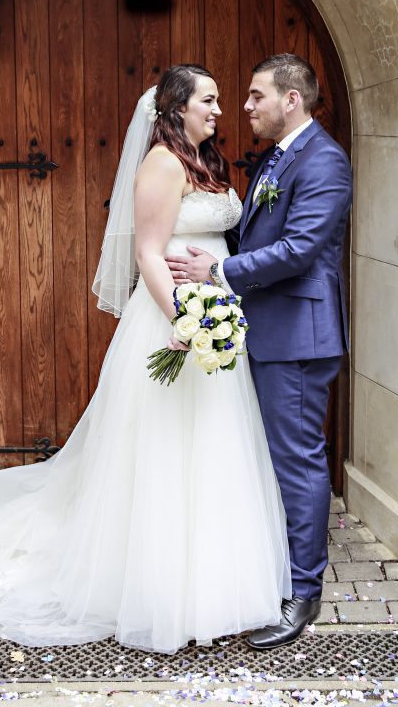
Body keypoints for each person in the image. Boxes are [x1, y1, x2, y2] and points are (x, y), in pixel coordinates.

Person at [0, 64, 290, 655]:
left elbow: (215, 239)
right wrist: (184, 323)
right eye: (209, 100)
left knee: (214, 446)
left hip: (214, 318)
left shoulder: (207, 161)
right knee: (165, 454)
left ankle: (216, 583)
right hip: (176, 322)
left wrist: (215, 313)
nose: (220, 109)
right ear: (176, 109)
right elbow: (147, 252)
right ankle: (161, 591)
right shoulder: (162, 164)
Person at [167, 54, 353, 648]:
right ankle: (283, 572)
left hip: (300, 336)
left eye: (255, 96)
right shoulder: (281, 155)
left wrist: (218, 270)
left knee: (298, 460)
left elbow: (299, 249)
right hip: (271, 330)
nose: (244, 107)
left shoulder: (323, 160)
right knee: (280, 458)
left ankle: (303, 594)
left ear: (291, 100)